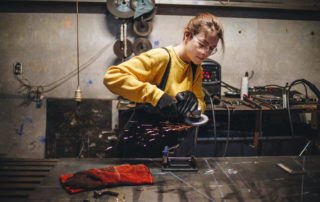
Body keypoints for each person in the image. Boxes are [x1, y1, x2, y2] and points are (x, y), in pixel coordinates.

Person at [104, 13, 225, 157]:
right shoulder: (161, 58)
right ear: (187, 35)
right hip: (137, 145)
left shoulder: (195, 67)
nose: (206, 53)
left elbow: (200, 101)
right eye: (202, 45)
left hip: (166, 143)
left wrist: (194, 105)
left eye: (211, 48)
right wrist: (157, 96)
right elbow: (112, 77)